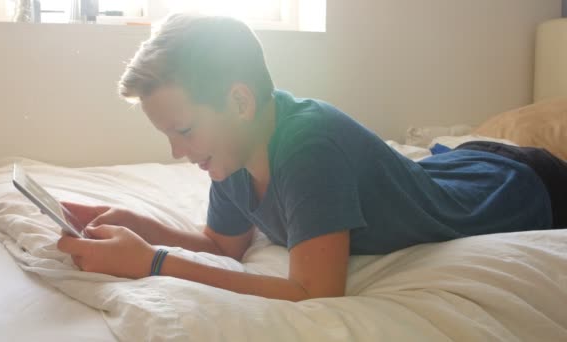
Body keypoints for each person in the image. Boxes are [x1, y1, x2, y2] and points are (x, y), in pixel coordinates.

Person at [57, 14, 567, 301]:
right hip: (454, 167)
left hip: (517, 184)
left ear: (239, 102)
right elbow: (222, 244)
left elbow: (311, 291)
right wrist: (139, 226)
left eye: (184, 130)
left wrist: (153, 264)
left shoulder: (307, 148)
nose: (177, 151)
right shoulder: (230, 153)